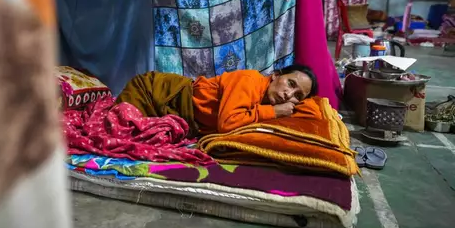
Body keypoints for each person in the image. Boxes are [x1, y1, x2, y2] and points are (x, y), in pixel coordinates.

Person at [115, 64, 318, 137]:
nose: (288, 95)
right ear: (275, 75)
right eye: (290, 84)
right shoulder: (250, 81)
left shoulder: (268, 102)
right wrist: (273, 112)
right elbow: (227, 123)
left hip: (174, 112)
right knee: (117, 128)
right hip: (152, 92)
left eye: (298, 95)